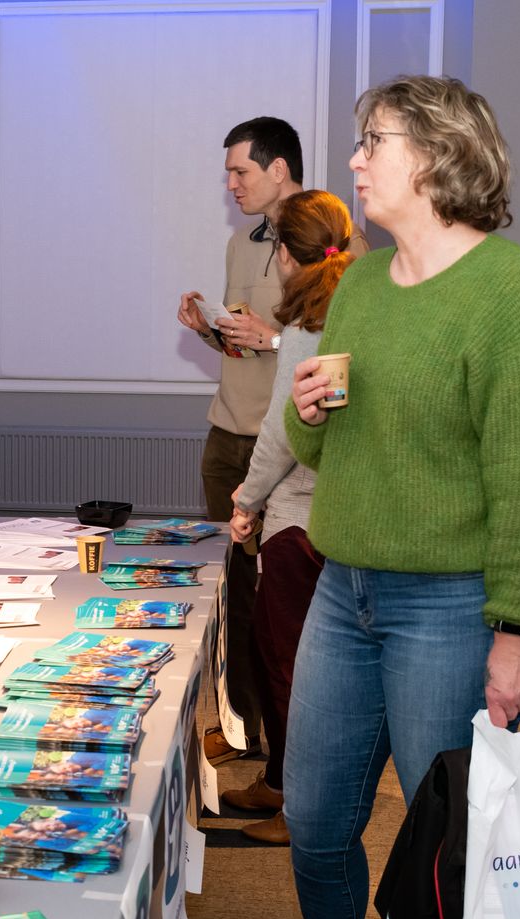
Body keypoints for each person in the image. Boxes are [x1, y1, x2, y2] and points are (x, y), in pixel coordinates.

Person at [230, 76, 520, 919]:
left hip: (448, 606)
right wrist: (307, 409)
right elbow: (321, 442)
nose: (353, 160)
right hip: (343, 588)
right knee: (314, 817)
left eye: (372, 141)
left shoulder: (512, 294)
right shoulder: (359, 286)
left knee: (446, 834)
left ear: (436, 155)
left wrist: (517, 629)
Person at [176, 117, 369, 765]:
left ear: (279, 169)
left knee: (289, 611)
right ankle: (244, 731)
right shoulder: (240, 243)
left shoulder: (341, 241)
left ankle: (298, 752)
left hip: (287, 451)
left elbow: (335, 349)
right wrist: (213, 329)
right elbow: (253, 341)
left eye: (241, 171)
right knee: (232, 597)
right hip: (229, 434)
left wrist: (279, 340)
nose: (231, 184)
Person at [223, 189, 357, 846]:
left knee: (287, 668)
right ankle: (279, 781)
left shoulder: (308, 325)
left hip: (298, 521)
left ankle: (297, 807)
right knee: (290, 659)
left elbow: (283, 434)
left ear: (285, 254)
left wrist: (246, 501)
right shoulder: (357, 309)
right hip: (338, 515)